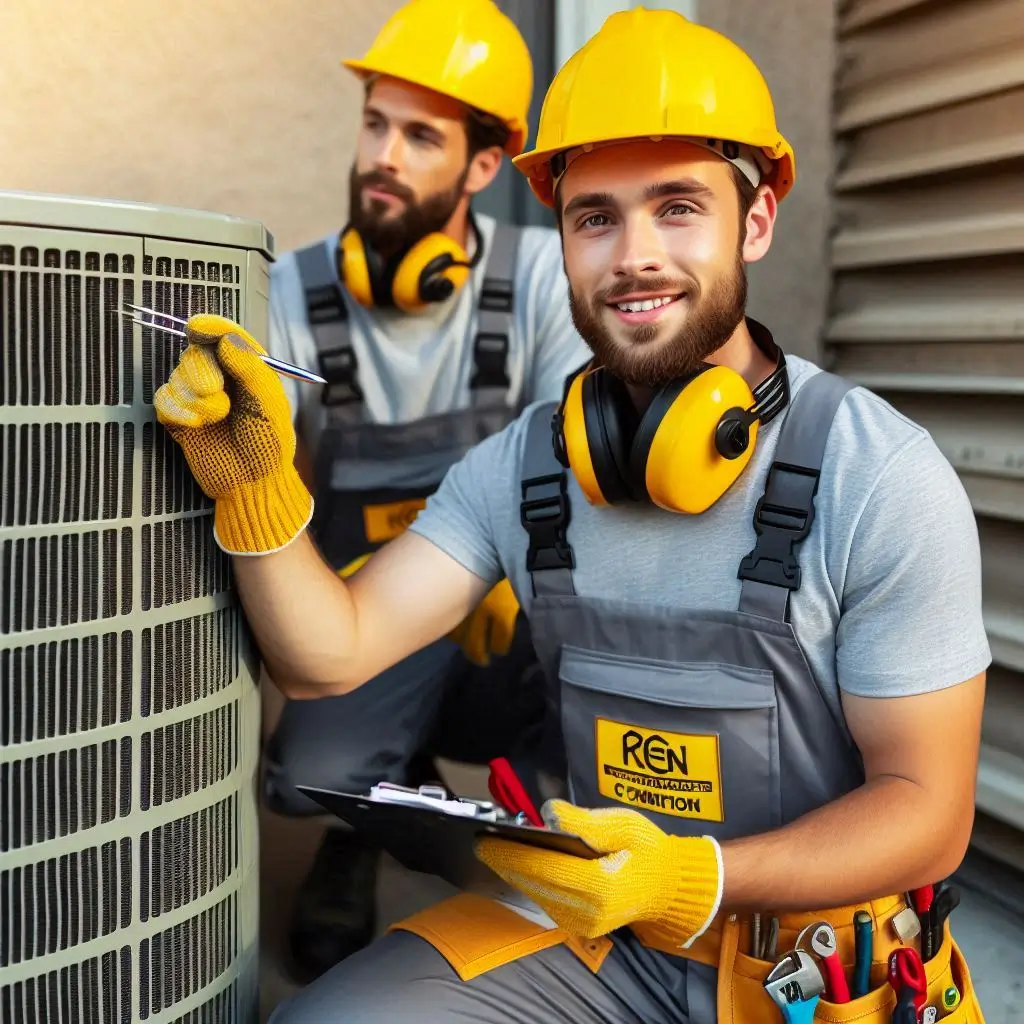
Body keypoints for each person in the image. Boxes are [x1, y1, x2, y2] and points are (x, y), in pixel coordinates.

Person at [155, 8, 990, 1023]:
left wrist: (688, 878)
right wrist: (253, 487)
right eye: (596, 216)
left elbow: (929, 814)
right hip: (597, 941)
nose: (634, 255)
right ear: (563, 234)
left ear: (756, 218)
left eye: (677, 206)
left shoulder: (878, 476)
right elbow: (325, 657)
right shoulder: (527, 467)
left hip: (815, 973)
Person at [259, 0, 590, 980]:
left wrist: (508, 572)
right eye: (374, 122)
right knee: (309, 769)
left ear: (483, 167)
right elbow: (263, 455)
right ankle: (367, 819)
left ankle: (542, 874)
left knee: (605, 675)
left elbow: (578, 448)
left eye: (418, 135)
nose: (382, 155)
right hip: (377, 620)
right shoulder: (292, 290)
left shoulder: (540, 277)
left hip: (509, 621)